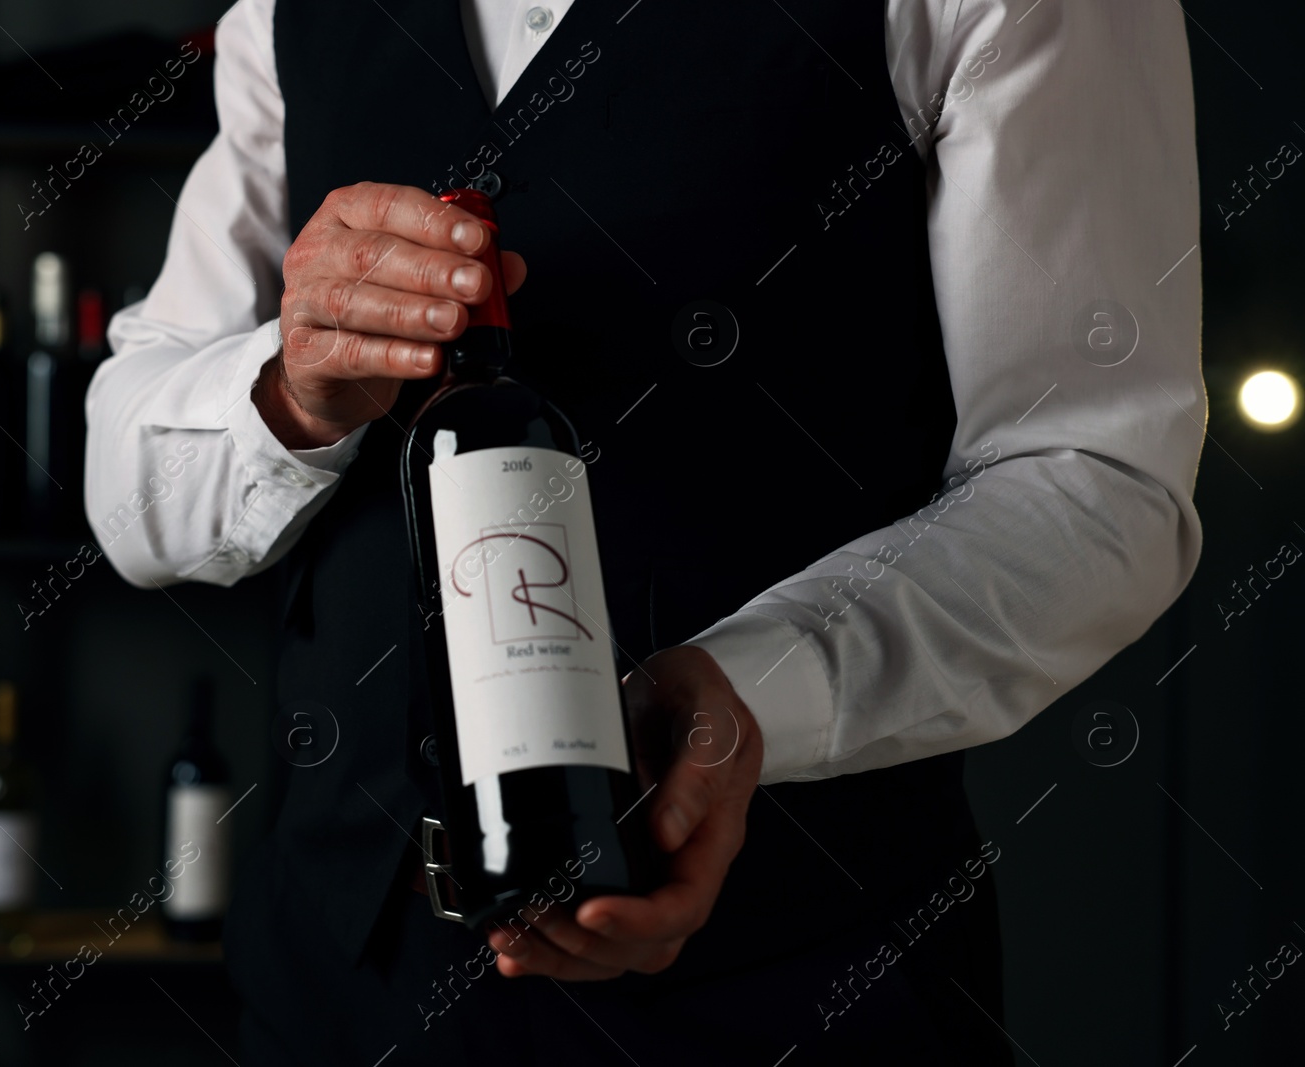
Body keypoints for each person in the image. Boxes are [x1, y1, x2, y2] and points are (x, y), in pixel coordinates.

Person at [84, 0, 1203, 1062]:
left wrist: (751, 689)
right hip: (337, 984)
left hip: (798, 985)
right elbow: (130, 495)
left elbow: (1094, 474)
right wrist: (292, 391)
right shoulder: (282, 15)